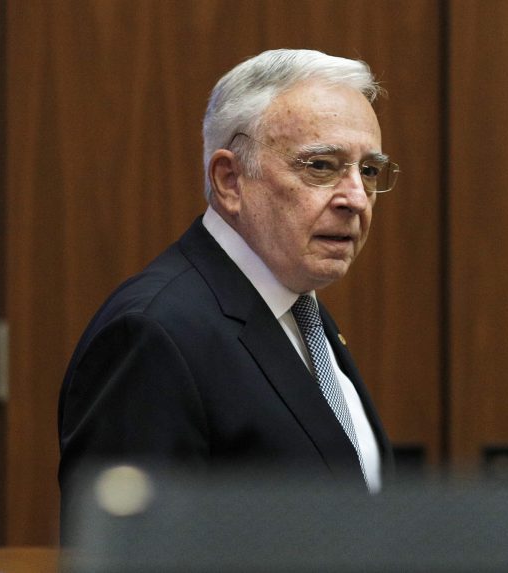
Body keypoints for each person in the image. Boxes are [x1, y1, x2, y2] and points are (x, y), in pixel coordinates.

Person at [58, 49, 399, 526]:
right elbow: (128, 549)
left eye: (368, 171)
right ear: (230, 180)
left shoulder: (298, 310)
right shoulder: (154, 334)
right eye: (322, 166)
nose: (357, 199)